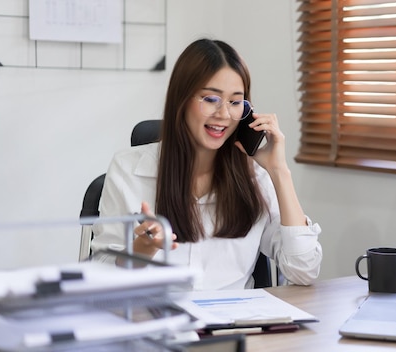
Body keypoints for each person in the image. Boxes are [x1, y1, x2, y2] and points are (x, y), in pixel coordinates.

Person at [91, 38, 322, 290]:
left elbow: (304, 270)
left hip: (234, 325)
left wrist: (279, 171)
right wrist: (142, 249)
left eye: (235, 102)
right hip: (159, 322)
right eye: (211, 99)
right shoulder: (127, 170)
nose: (224, 114)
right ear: (181, 100)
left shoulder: (255, 176)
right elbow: (101, 277)